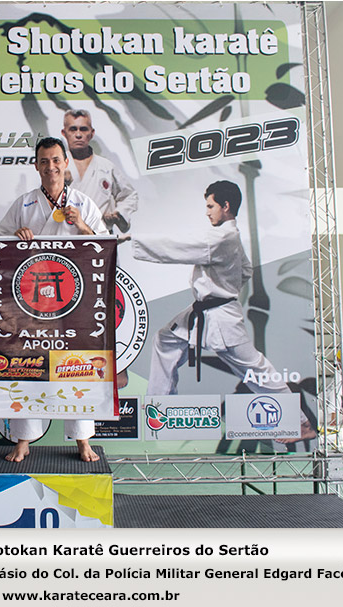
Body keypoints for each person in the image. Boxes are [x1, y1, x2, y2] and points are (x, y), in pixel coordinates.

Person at [122, 180, 316, 443]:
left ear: (225, 206)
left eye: (210, 206)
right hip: (205, 310)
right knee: (165, 339)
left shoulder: (221, 238)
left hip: (221, 318)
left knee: (257, 371)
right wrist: (226, 285)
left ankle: (301, 423)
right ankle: (159, 410)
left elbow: (178, 246)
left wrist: (134, 238)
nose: (207, 212)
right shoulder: (228, 236)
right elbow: (245, 270)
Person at [0, 136, 109, 462]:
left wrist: (82, 225)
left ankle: (82, 440)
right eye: (44, 161)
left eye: (56, 160)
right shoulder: (24, 204)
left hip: (74, 298)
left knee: (77, 365)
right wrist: (17, 237)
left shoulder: (83, 203)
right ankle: (23, 439)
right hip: (32, 300)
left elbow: (104, 245)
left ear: (66, 163)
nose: (51, 167)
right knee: (28, 364)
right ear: (36, 165)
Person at [61, 109, 138, 233]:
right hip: (66, 236)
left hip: (100, 235)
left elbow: (129, 195)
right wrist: (57, 183)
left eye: (83, 129)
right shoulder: (55, 167)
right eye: (73, 129)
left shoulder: (107, 167)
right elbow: (38, 202)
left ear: (92, 133)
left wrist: (119, 213)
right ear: (64, 133)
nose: (78, 135)